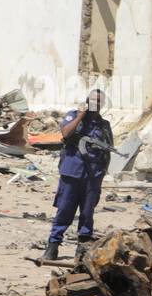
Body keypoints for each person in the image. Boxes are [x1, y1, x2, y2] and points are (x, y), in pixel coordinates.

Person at [42, 88, 113, 261]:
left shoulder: (104, 125)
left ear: (102, 105)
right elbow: (66, 133)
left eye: (98, 102)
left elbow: (108, 149)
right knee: (64, 210)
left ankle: (82, 251)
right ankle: (53, 246)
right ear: (86, 101)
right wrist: (81, 116)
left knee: (87, 213)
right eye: (92, 100)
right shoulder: (73, 115)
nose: (94, 104)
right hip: (72, 172)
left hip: (93, 176)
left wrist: (102, 173)